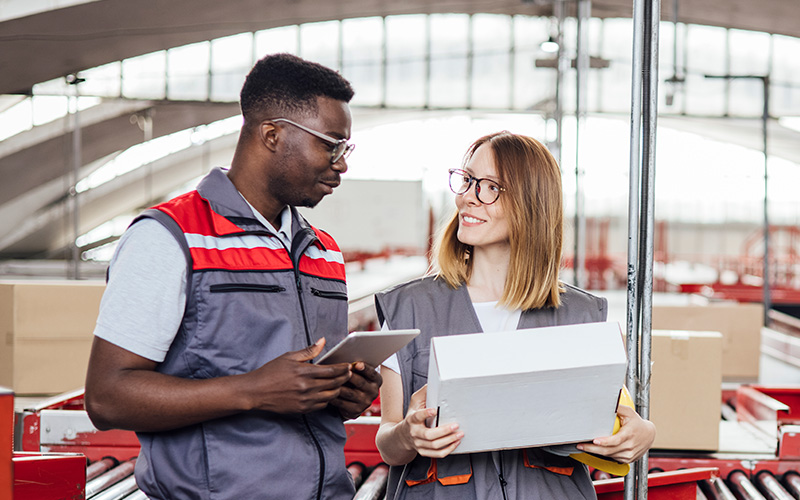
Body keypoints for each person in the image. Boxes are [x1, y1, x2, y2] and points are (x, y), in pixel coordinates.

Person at [85, 53, 382, 500]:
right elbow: (107, 397)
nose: (342, 163)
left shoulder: (323, 249)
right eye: (331, 144)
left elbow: (302, 396)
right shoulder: (170, 238)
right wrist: (252, 391)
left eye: (346, 149)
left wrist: (343, 395)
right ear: (272, 135)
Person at [374, 131, 656, 499]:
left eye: (490, 187)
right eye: (467, 180)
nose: (467, 197)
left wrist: (643, 432)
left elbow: (616, 419)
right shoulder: (409, 309)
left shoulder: (584, 316)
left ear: (531, 203)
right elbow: (388, 441)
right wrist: (406, 434)